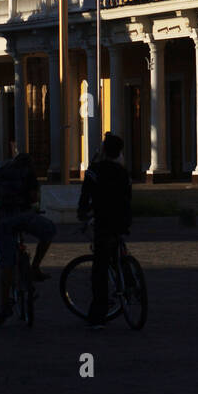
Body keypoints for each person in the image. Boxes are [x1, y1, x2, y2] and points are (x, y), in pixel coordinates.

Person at [0, 151, 56, 326]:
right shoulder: (28, 173)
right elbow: (33, 198)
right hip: (23, 216)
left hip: (5, 220)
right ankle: (35, 267)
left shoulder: (0, 171)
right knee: (49, 231)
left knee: (6, 263)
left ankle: (4, 305)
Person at [77, 132, 133, 329]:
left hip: (103, 220)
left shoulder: (95, 170)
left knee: (99, 268)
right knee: (118, 249)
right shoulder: (123, 172)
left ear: (103, 150)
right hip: (122, 220)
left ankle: (98, 315)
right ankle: (131, 285)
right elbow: (128, 196)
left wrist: (83, 213)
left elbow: (85, 196)